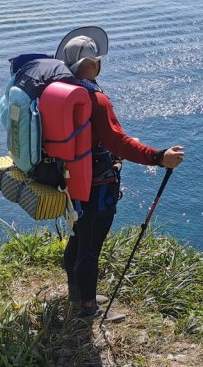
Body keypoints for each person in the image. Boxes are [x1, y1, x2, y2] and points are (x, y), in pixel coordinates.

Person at [56, 30, 185, 320]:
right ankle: (88, 309)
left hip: (69, 178)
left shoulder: (62, 90)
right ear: (95, 63)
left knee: (78, 238)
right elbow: (118, 142)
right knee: (90, 247)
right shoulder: (94, 98)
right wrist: (158, 156)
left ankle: (76, 294)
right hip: (97, 184)